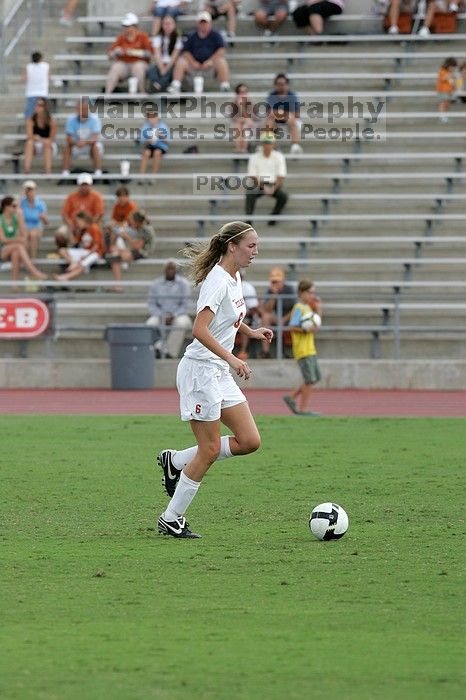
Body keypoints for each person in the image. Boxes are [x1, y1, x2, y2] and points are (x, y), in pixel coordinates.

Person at [156, 220, 273, 538]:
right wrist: (233, 358)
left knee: (250, 441)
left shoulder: (235, 277)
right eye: (251, 245)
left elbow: (229, 318)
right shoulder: (217, 281)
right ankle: (171, 517)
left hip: (218, 371)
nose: (256, 251)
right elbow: (199, 330)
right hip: (201, 372)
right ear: (232, 246)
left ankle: (176, 460)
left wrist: (250, 331)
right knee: (208, 450)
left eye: (256, 245)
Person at [283, 279, 322, 415]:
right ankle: (303, 409)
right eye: (310, 292)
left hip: (310, 348)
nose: (312, 295)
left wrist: (319, 310)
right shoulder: (299, 308)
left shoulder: (308, 308)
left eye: (313, 293)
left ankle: (291, 397)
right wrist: (305, 330)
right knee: (309, 379)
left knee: (315, 377)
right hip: (302, 349)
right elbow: (292, 326)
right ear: (301, 292)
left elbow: (315, 325)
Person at [167, 11, 231, 94]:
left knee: (221, 61)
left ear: (210, 23)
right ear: (197, 24)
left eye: (205, 23)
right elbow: (185, 51)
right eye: (201, 23)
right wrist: (193, 62)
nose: (203, 25)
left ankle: (225, 85)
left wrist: (210, 61)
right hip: (194, 67)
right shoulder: (192, 36)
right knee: (181, 61)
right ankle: (176, 84)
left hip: (210, 67)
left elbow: (221, 50)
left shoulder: (216, 35)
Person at [146, 260, 192, 358]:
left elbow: (185, 305)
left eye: (173, 268)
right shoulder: (156, 284)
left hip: (179, 314)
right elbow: (152, 304)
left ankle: (169, 353)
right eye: (168, 268)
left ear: (176, 270)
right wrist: (162, 315)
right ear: (164, 270)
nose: (170, 271)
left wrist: (173, 315)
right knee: (150, 324)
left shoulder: (183, 284)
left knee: (181, 324)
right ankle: (156, 349)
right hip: (160, 314)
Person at [0, 196, 47, 283]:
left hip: (12, 248)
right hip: (2, 250)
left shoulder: (15, 217)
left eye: (17, 206)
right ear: (6, 207)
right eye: (14, 206)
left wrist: (20, 216)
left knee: (16, 253)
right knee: (19, 246)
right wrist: (17, 239)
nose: (16, 208)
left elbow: (24, 234)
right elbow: (3, 240)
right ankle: (33, 271)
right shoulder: (1, 219)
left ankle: (15, 284)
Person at [245, 131, 288, 225]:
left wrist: (273, 188)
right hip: (259, 183)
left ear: (273, 144)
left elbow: (280, 176)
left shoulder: (279, 157)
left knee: (283, 197)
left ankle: (274, 217)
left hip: (274, 184)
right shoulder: (254, 157)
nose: (267, 145)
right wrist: (264, 187)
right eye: (265, 143)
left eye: (269, 143)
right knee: (250, 193)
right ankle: (248, 220)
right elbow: (253, 176)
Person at [107, 210, 155, 291]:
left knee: (115, 259)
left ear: (137, 221)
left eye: (132, 221)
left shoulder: (145, 230)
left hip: (143, 252)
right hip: (137, 250)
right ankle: (118, 284)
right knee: (115, 253)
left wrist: (126, 237)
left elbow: (137, 247)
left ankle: (118, 286)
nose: (130, 222)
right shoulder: (140, 228)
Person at [105, 13, 153, 95]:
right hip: (124, 63)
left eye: (128, 26)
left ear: (135, 26)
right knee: (115, 68)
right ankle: (107, 95)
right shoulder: (121, 37)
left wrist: (134, 52)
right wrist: (115, 52)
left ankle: (142, 93)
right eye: (125, 26)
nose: (126, 28)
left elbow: (149, 54)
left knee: (138, 67)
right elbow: (109, 54)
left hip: (139, 63)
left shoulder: (143, 36)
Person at [54, 211, 105, 282]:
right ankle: (72, 263)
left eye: (78, 221)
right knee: (62, 250)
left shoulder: (94, 228)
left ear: (83, 220)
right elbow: (74, 242)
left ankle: (66, 277)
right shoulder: (83, 230)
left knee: (82, 264)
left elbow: (96, 246)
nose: (77, 223)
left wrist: (86, 256)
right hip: (85, 250)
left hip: (95, 252)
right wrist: (72, 230)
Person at [259, 265, 296, 358]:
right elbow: (267, 310)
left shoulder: (290, 289)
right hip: (277, 318)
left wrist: (283, 319)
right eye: (273, 281)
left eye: (277, 281)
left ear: (282, 280)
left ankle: (288, 351)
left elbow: (296, 308)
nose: (275, 284)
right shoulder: (270, 291)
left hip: (289, 318)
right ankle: (265, 352)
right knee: (265, 317)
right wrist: (274, 295)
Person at [62, 99, 103, 177]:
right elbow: (69, 138)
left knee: (95, 146)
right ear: (77, 110)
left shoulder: (95, 119)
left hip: (90, 146)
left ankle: (98, 171)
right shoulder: (71, 120)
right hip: (76, 145)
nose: (83, 111)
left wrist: (85, 142)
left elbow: (95, 138)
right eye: (81, 109)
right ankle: (65, 171)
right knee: (66, 146)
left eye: (84, 109)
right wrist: (76, 143)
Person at [266, 73, 302, 154]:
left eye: (283, 84)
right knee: (269, 123)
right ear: (275, 85)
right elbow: (270, 113)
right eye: (278, 84)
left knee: (292, 119)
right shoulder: (272, 95)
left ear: (287, 84)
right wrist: (284, 114)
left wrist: (279, 113)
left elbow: (295, 114)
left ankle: (295, 146)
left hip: (289, 120)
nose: (281, 86)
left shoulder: (292, 96)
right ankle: (273, 148)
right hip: (277, 120)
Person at [147, 15, 183, 92]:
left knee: (169, 72)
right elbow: (157, 55)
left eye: (170, 23)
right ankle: (161, 86)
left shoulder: (177, 38)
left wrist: (166, 69)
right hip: (160, 64)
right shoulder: (158, 38)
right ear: (162, 25)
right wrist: (162, 68)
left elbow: (174, 57)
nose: (168, 26)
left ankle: (157, 86)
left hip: (171, 64)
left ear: (174, 25)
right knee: (151, 70)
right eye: (165, 24)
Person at [23, 98, 57, 174]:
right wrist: (41, 139)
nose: (37, 107)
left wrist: (39, 139)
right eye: (36, 105)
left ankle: (48, 171)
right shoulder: (31, 120)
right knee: (29, 143)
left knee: (47, 145)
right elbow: (30, 136)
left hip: (48, 146)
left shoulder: (52, 121)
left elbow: (52, 139)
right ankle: (27, 170)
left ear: (45, 107)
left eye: (40, 105)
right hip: (36, 146)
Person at [19, 181, 49, 259]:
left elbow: (46, 223)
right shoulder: (22, 202)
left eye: (31, 190)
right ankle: (26, 260)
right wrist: (21, 196)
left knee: (33, 234)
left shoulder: (41, 203)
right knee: (25, 235)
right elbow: (15, 211)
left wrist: (43, 217)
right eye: (27, 190)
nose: (30, 192)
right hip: (24, 228)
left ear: (35, 190)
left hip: (36, 227)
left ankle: (32, 259)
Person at [236, 273, 261, 359]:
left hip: (247, 316)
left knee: (244, 322)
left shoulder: (247, 288)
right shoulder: (225, 285)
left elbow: (254, 309)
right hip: (232, 316)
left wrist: (240, 315)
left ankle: (243, 351)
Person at [139, 109, 170, 174]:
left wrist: (161, 136)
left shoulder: (163, 126)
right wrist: (148, 141)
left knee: (157, 152)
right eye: (150, 118)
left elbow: (168, 141)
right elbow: (142, 141)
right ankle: (142, 175)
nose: (152, 119)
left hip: (161, 146)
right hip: (150, 146)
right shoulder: (146, 126)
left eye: (153, 117)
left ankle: (153, 175)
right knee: (146, 153)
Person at [231, 83, 258, 154]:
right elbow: (233, 118)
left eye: (244, 92)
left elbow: (252, 118)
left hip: (252, 125)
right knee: (238, 125)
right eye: (241, 92)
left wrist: (242, 106)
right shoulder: (233, 103)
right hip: (240, 124)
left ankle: (243, 149)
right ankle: (238, 149)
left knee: (246, 126)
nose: (243, 94)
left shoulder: (252, 103)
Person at [23, 51, 50, 120]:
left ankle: (29, 128)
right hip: (42, 92)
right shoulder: (46, 66)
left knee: (30, 114)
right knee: (43, 113)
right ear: (41, 58)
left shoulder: (28, 66)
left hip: (31, 92)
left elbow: (25, 78)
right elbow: (49, 77)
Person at [436, 57, 458, 122]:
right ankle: (441, 116)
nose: (453, 69)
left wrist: (454, 86)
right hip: (442, 90)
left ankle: (445, 116)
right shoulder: (442, 70)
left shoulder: (449, 72)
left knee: (446, 104)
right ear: (448, 65)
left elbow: (451, 82)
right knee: (442, 103)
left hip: (448, 91)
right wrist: (449, 76)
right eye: (452, 67)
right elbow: (442, 79)